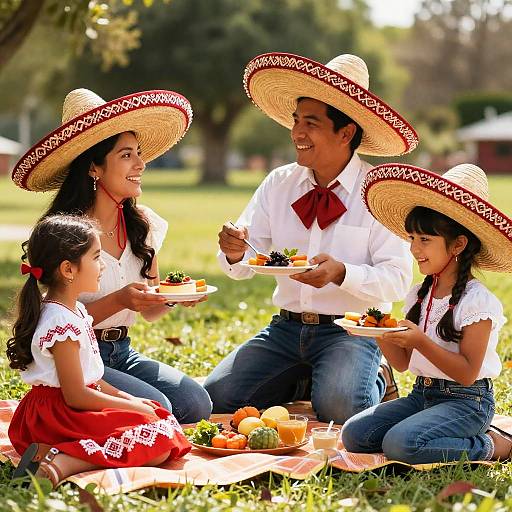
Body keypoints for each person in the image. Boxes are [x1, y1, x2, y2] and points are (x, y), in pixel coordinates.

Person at [204, 52, 419, 423]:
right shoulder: (279, 183)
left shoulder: (377, 194)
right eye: (296, 121)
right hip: (285, 328)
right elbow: (241, 263)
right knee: (218, 398)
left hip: (351, 331)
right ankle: (304, 379)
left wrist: (342, 273)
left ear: (346, 132)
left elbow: (398, 282)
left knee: (340, 409)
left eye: (311, 123)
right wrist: (235, 250)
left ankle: (378, 374)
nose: (297, 133)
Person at [11, 88, 212, 423]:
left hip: (123, 351)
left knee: (196, 403)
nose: (140, 164)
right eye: (126, 155)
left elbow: (152, 311)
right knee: (159, 408)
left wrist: (176, 297)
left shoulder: (142, 225)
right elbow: (57, 316)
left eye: (138, 153)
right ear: (94, 168)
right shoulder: (66, 235)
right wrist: (120, 300)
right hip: (76, 358)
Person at [342, 163, 512, 463]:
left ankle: (492, 446)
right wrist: (378, 332)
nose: (414, 249)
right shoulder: (419, 295)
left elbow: (467, 373)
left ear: (458, 244)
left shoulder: (477, 302)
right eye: (411, 238)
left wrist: (420, 341)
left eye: (425, 240)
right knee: (354, 434)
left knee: (401, 445)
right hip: (423, 394)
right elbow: (403, 364)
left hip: (468, 402)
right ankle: (430, 432)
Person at [8, 215, 191, 486]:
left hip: (64, 409)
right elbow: (76, 395)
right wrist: (128, 405)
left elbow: (92, 380)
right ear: (68, 270)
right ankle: (64, 462)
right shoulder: (61, 322)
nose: (103, 265)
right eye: (95, 257)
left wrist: (129, 398)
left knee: (157, 416)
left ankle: (50, 451)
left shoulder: (75, 310)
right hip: (58, 415)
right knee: (159, 442)